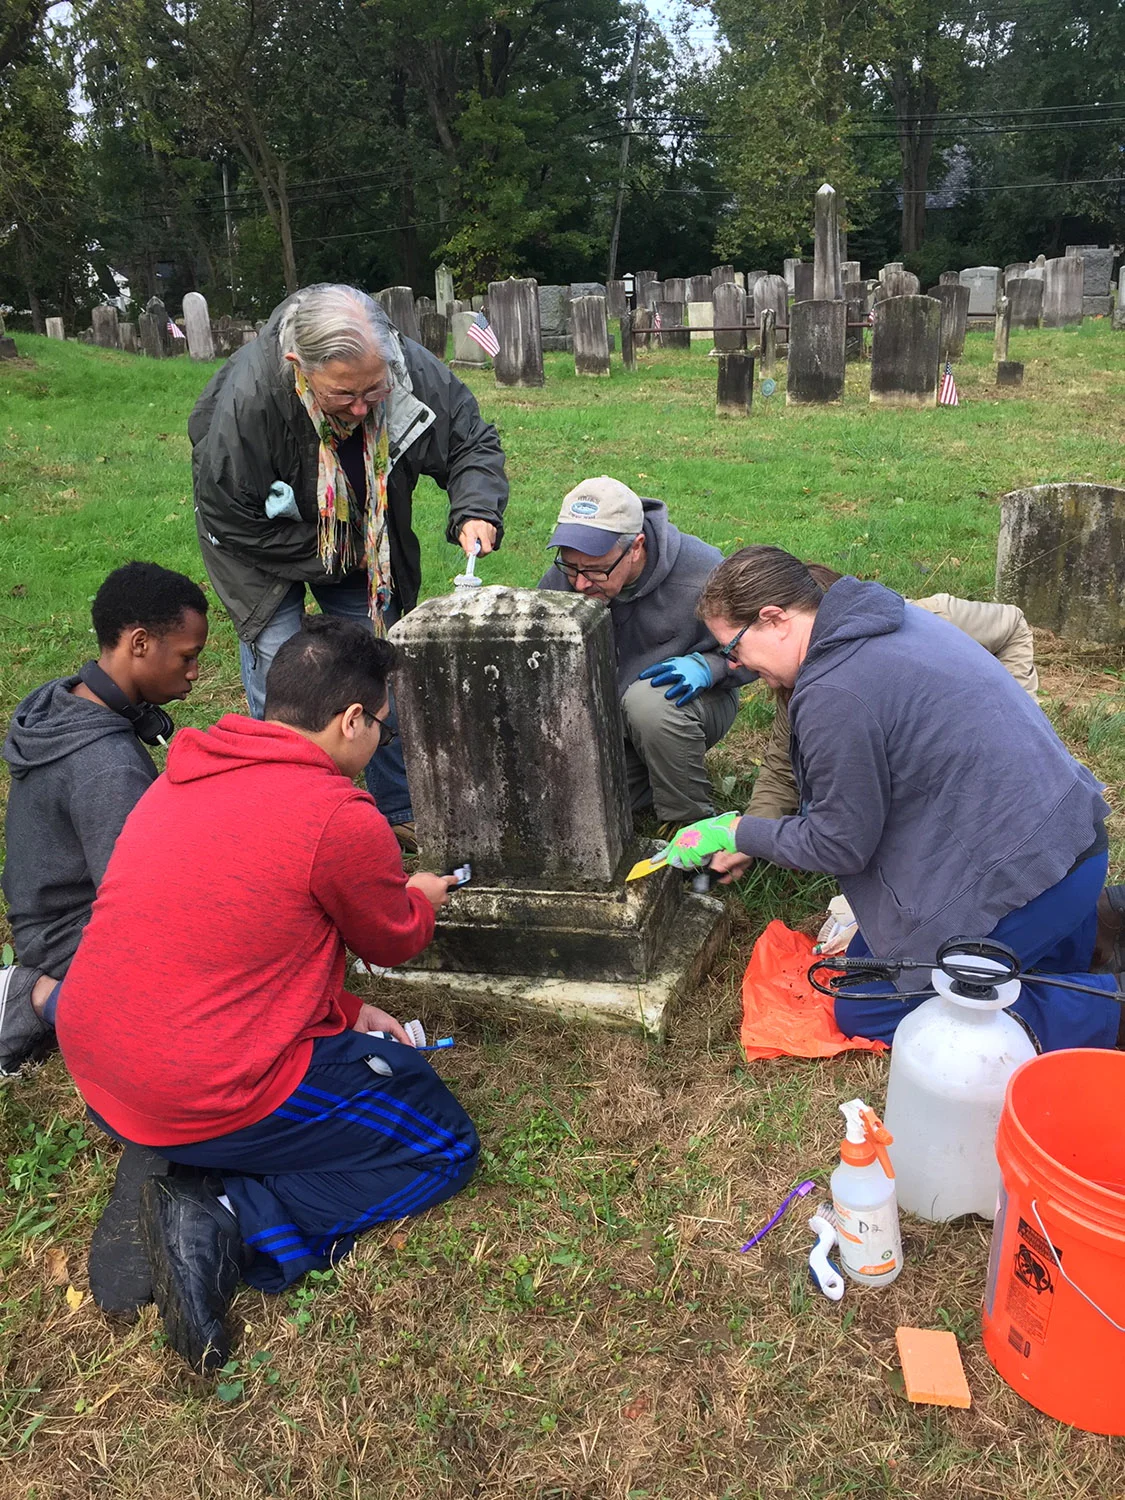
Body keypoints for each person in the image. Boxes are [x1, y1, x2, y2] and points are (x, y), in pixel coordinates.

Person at [54, 617, 478, 1375]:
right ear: (352, 718)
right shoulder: (339, 815)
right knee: (442, 1148)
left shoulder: (185, 774)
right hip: (197, 1084)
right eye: (381, 725)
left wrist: (345, 1011)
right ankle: (223, 1215)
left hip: (95, 1060)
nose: (380, 742)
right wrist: (418, 896)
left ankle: (183, 1158)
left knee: (360, 1062)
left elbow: (239, 938)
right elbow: (391, 938)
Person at [661, 546, 1122, 1051]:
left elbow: (839, 846)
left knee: (868, 1006)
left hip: (1030, 876)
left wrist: (735, 830)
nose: (736, 665)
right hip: (1071, 837)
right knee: (865, 965)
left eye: (735, 647)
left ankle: (1104, 1011)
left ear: (775, 619)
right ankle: (1089, 935)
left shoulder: (834, 691)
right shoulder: (886, 618)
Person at [189, 282, 509, 851]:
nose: (363, 409)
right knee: (282, 670)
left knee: (376, 663)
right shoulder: (250, 403)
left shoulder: (402, 364)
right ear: (298, 366)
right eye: (345, 395)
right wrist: (336, 551)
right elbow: (229, 517)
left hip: (362, 533)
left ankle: (400, 809)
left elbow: (469, 441)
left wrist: (476, 509)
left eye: (373, 390)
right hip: (260, 546)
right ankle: (292, 820)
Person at [0, 561, 209, 1316]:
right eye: (185, 657)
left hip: (47, 915)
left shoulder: (69, 705)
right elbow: (141, 906)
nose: (194, 673)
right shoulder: (105, 762)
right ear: (138, 643)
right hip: (73, 940)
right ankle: (41, 1002)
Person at [538, 477, 752, 831]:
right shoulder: (572, 574)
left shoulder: (705, 575)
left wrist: (709, 666)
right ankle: (654, 776)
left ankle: (692, 827)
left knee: (650, 700)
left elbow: (755, 652)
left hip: (688, 699)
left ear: (636, 547)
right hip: (604, 714)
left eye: (595, 570)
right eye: (570, 566)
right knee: (569, 794)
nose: (579, 584)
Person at [747, 563, 1040, 820]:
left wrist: (1015, 725)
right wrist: (748, 836)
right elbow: (783, 769)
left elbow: (1011, 625)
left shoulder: (926, 620)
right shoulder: (798, 668)